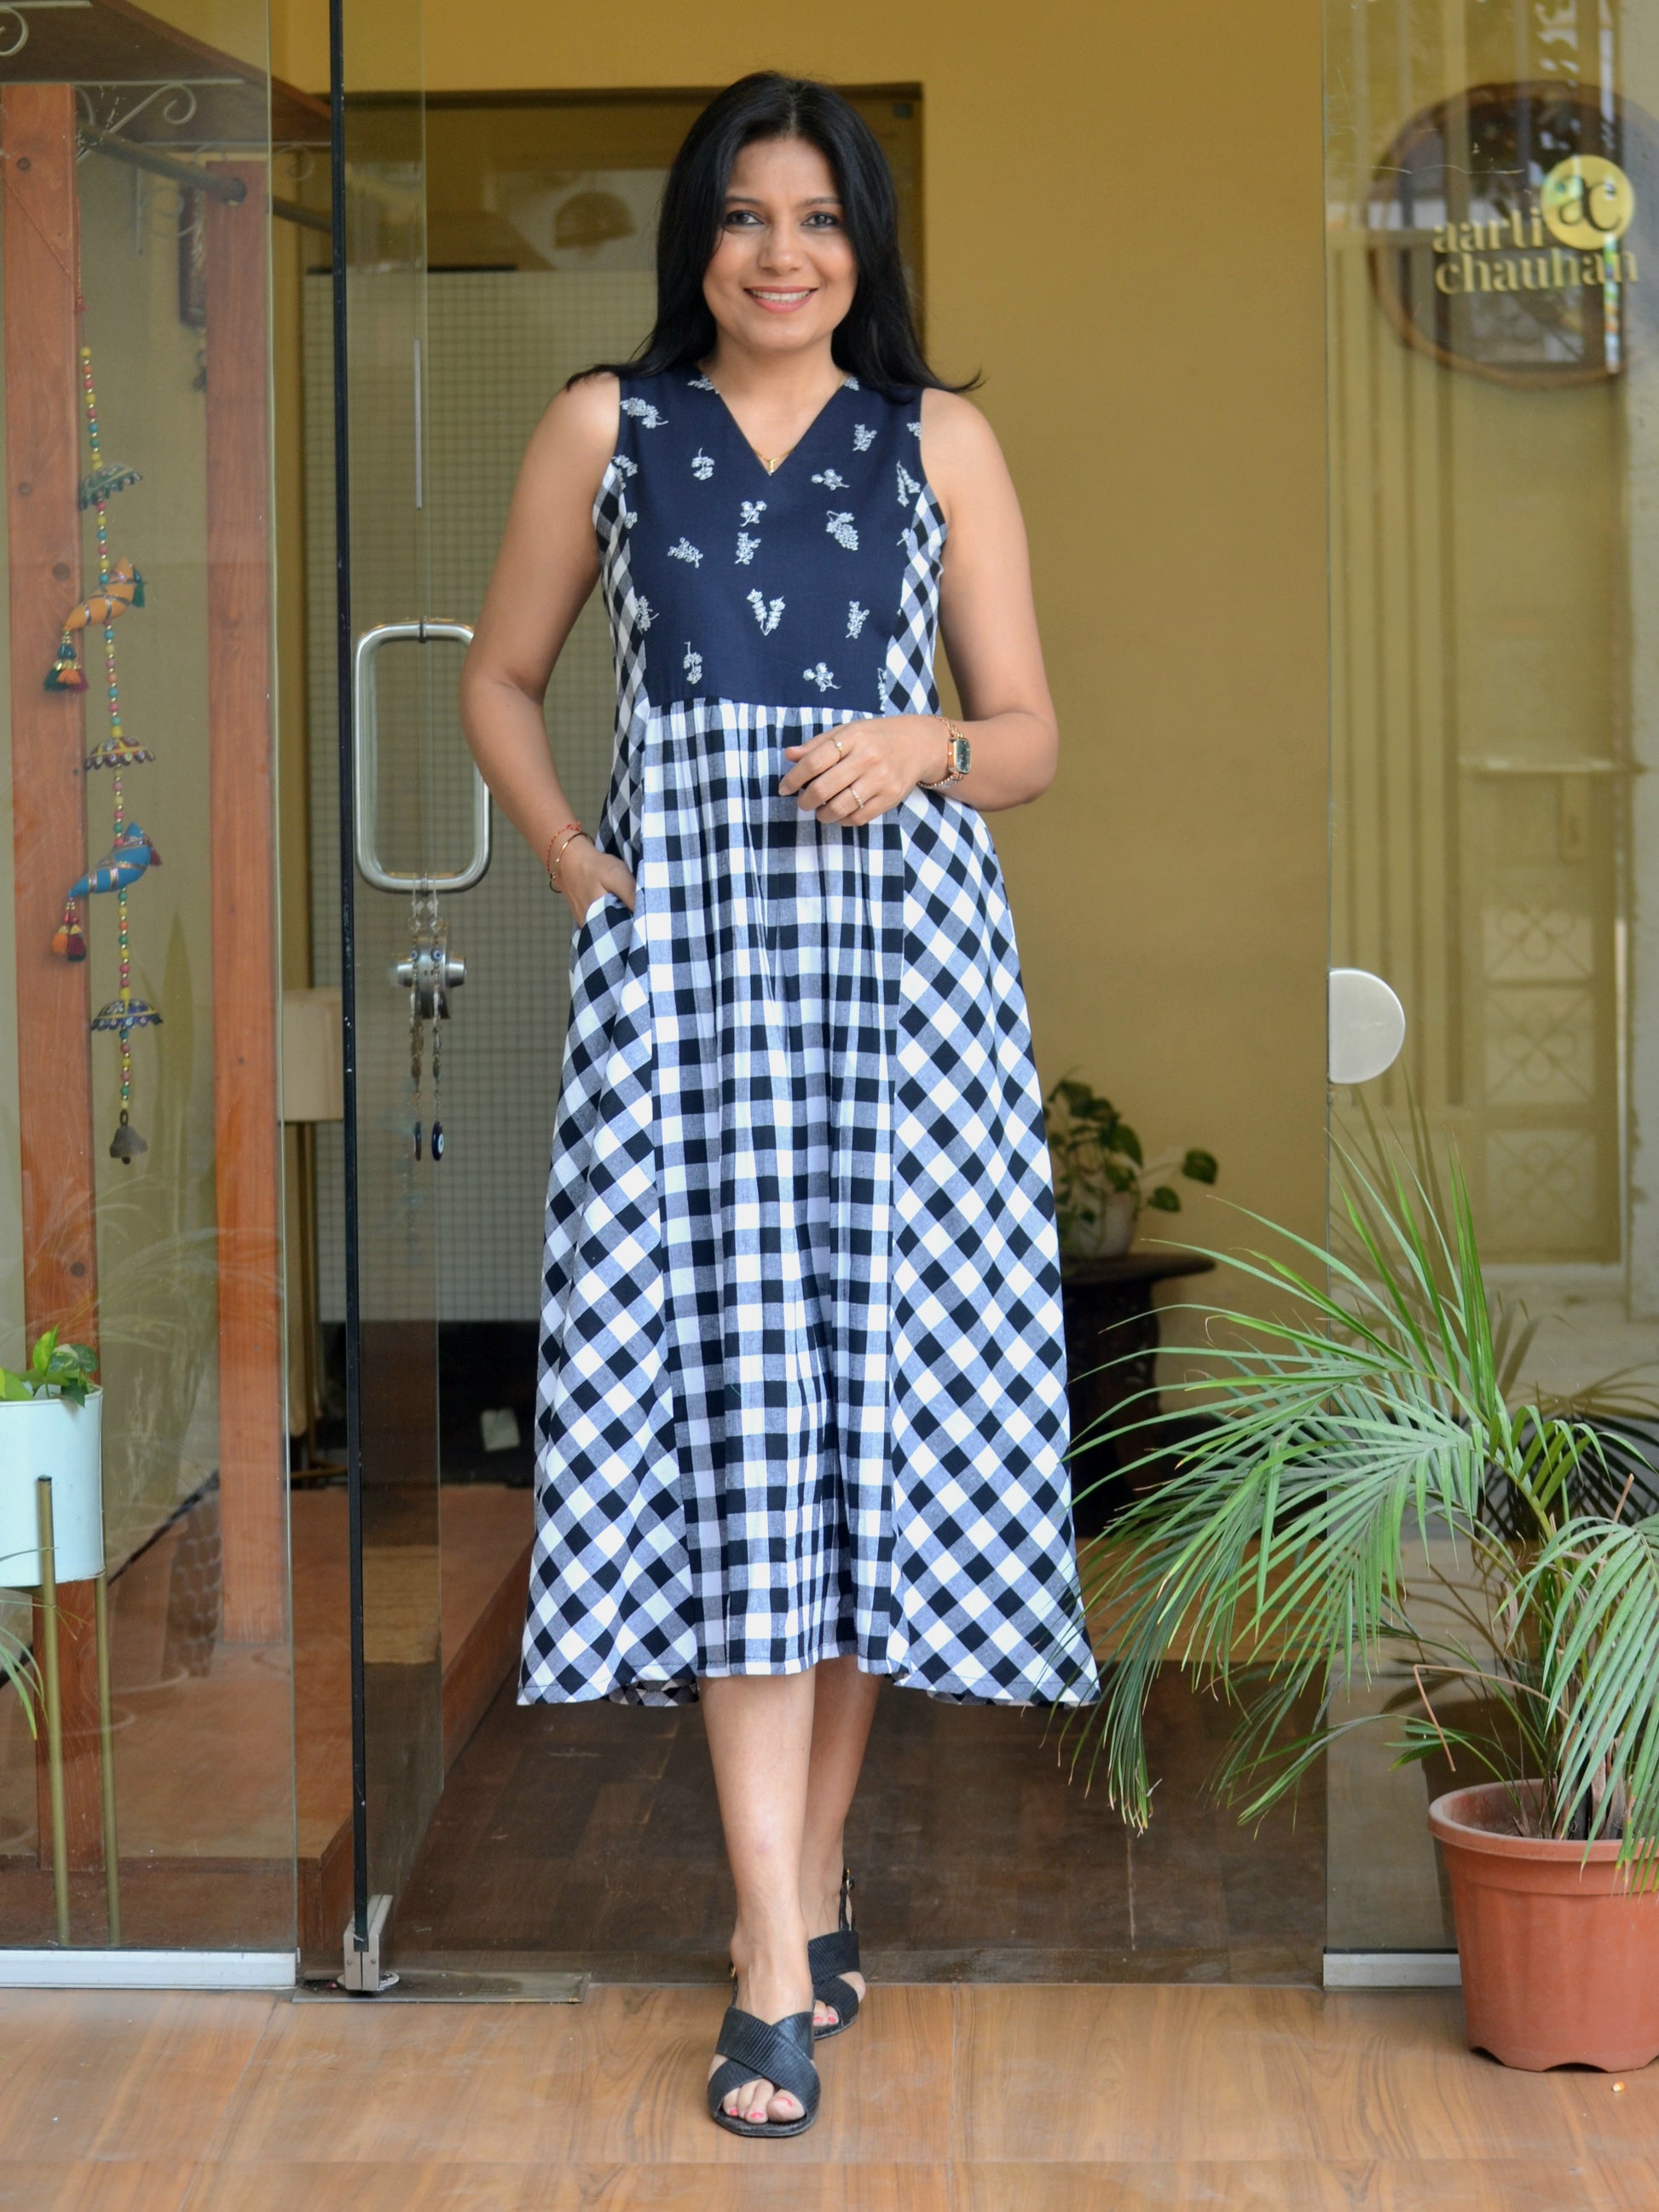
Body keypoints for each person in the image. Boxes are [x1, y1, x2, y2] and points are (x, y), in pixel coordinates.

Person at [460, 70, 1097, 2140]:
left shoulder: (938, 438)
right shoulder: (605, 423)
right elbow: (496, 675)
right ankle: (765, 1951)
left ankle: (808, 1877)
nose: (781, 252)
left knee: (864, 1442)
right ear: (697, 237)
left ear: (863, 245)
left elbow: (1029, 733)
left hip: (905, 990)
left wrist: (924, 741)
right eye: (745, 215)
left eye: (817, 217)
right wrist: (575, 861)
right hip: (691, 990)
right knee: (736, 1434)